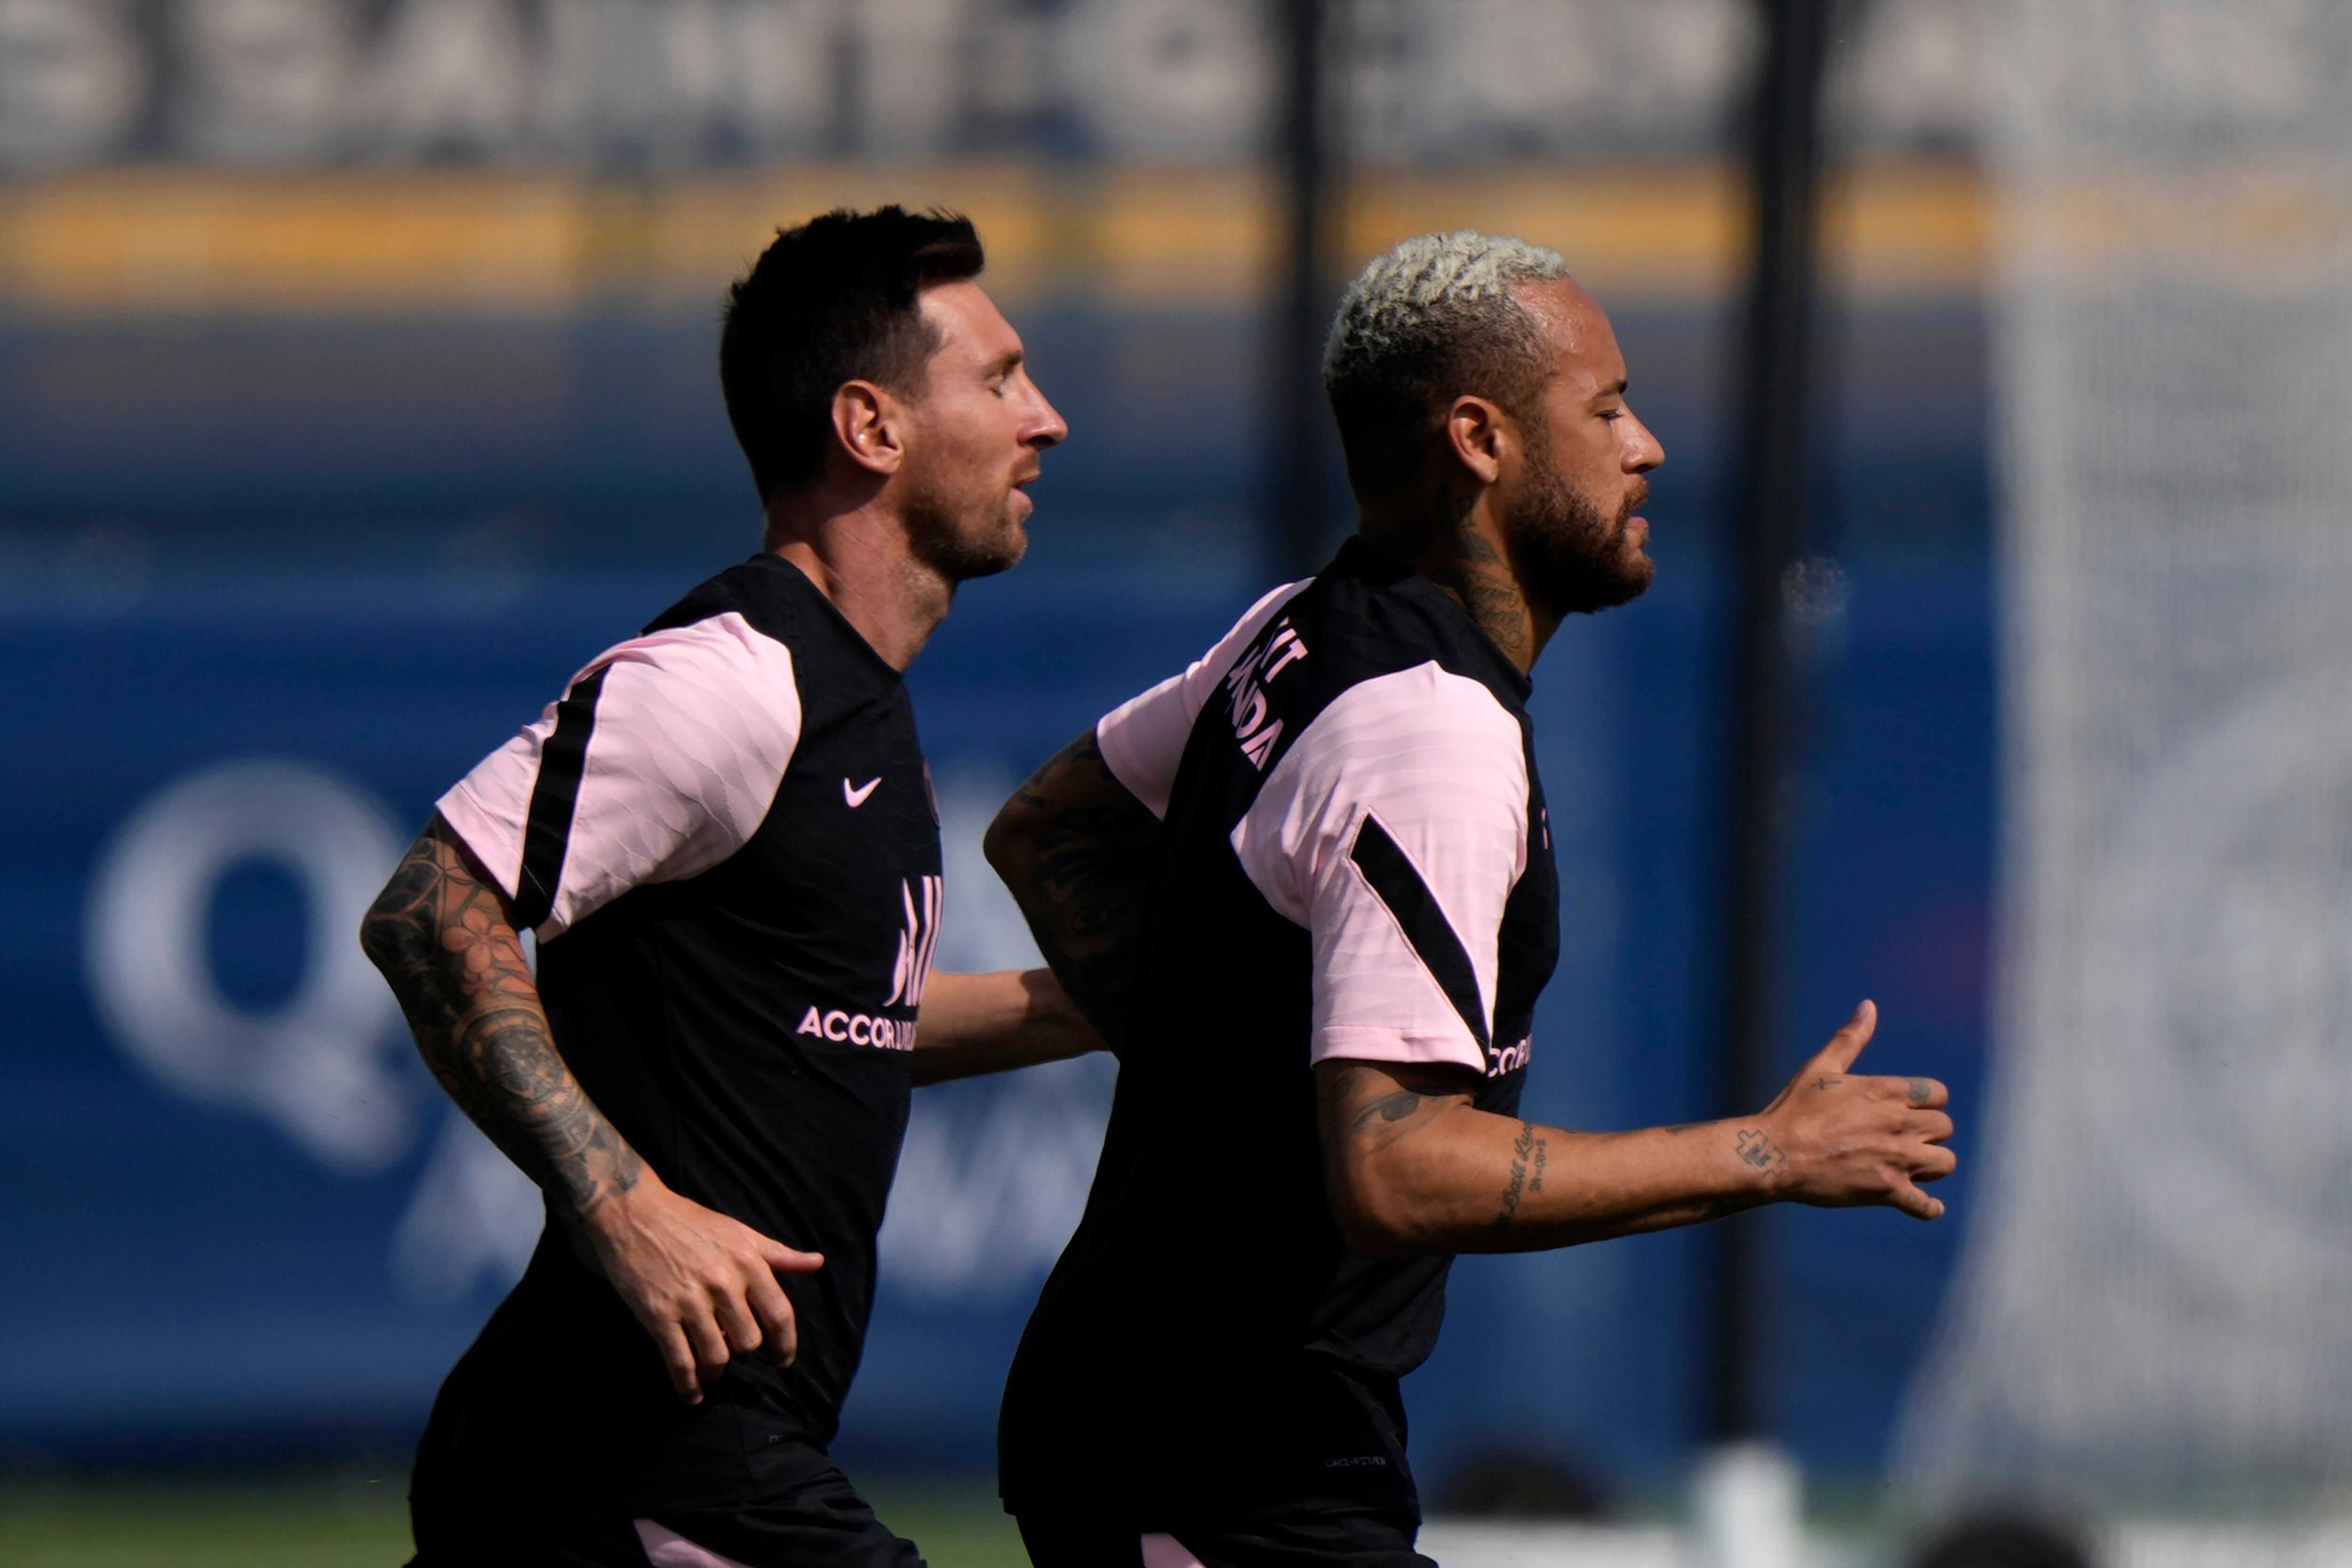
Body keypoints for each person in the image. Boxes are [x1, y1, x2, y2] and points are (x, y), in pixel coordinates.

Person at [985, 231, 1957, 1568]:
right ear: (1481, 440)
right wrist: (1770, 1154)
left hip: (1203, 1421)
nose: (1649, 446)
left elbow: (1049, 831)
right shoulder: (1427, 732)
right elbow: (1396, 1170)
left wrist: (1217, 1035)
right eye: (1606, 408)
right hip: (1218, 1447)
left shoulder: (1304, 626)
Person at [360, 206, 1087, 1567]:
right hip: (642, 1454)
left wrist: (1112, 1001)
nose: (1042, 420)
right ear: (872, 427)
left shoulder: (852, 703)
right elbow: (427, 910)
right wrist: (620, 1203)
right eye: (997, 381)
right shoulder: (727, 682)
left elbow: (829, 1022)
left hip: (646, 1453)